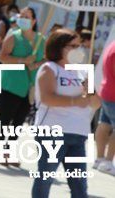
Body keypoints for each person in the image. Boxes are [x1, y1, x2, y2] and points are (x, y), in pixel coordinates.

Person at [31, 29, 100, 197]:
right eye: (74, 46)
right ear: (59, 47)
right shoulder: (49, 68)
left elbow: (96, 104)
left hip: (78, 133)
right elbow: (47, 98)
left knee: (79, 186)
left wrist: (90, 91)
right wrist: (75, 101)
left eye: (80, 45)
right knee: (45, 178)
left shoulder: (83, 71)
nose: (79, 49)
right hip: (52, 132)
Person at [0, 6, 45, 167]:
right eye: (21, 16)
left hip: (29, 88)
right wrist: (22, 61)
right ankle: (0, 149)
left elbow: (46, 59)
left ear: (34, 21)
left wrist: (36, 63)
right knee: (5, 119)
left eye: (27, 16)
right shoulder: (13, 37)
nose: (23, 18)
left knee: (18, 121)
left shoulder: (41, 39)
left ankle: (10, 151)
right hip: (10, 83)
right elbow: (3, 57)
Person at [96, 39, 115, 174]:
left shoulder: (112, 45)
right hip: (113, 94)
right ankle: (108, 161)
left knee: (104, 125)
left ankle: (100, 159)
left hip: (107, 91)